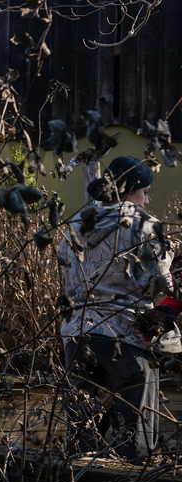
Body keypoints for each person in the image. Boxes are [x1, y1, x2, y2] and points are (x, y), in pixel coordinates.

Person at [58, 155, 181, 460]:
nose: (147, 201)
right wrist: (170, 272)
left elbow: (67, 273)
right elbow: (157, 287)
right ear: (132, 189)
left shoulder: (78, 221)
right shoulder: (142, 224)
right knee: (135, 436)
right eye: (146, 192)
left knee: (81, 433)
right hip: (124, 335)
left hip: (77, 332)